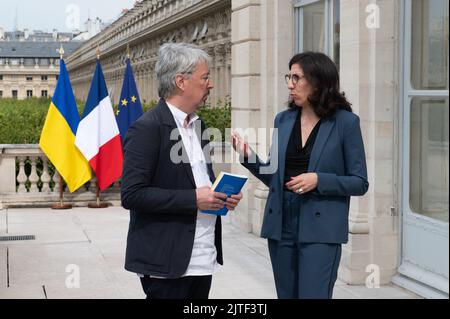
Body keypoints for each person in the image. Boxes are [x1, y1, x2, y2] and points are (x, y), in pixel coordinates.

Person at [232, 52, 369, 299]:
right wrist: (248, 156)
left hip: (321, 228)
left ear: (317, 82)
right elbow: (276, 178)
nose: (290, 84)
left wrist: (318, 180)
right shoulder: (283, 120)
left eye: (296, 78)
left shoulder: (346, 123)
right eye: (289, 77)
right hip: (281, 222)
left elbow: (359, 182)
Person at [121, 42, 242, 299]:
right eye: (205, 77)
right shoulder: (147, 128)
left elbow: (199, 181)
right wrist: (195, 199)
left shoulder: (198, 126)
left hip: (203, 256)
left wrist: (220, 195)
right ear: (181, 81)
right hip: (167, 263)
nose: (211, 84)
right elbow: (132, 195)